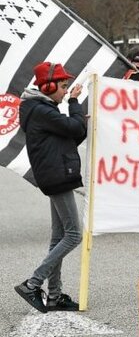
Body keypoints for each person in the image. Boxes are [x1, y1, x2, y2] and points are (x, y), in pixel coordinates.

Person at [15, 61, 87, 313]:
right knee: (74, 235)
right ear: (47, 86)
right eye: (63, 86)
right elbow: (76, 128)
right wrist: (75, 105)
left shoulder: (42, 108)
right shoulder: (42, 110)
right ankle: (33, 283)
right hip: (57, 175)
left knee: (59, 237)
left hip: (56, 173)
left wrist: (77, 119)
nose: (66, 91)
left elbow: (76, 134)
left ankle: (55, 296)